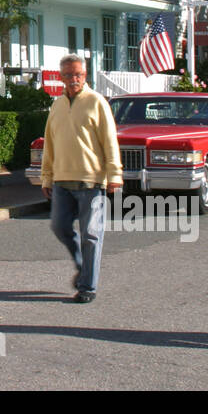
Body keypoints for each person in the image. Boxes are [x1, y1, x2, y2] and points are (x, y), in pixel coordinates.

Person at [40, 54, 121, 303]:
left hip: (92, 181)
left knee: (91, 235)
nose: (73, 79)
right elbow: (50, 143)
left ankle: (88, 287)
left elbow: (109, 141)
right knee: (60, 227)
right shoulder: (57, 105)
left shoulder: (97, 102)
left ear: (85, 76)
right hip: (62, 180)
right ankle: (81, 264)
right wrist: (46, 177)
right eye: (68, 75)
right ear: (61, 77)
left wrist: (114, 174)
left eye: (78, 75)